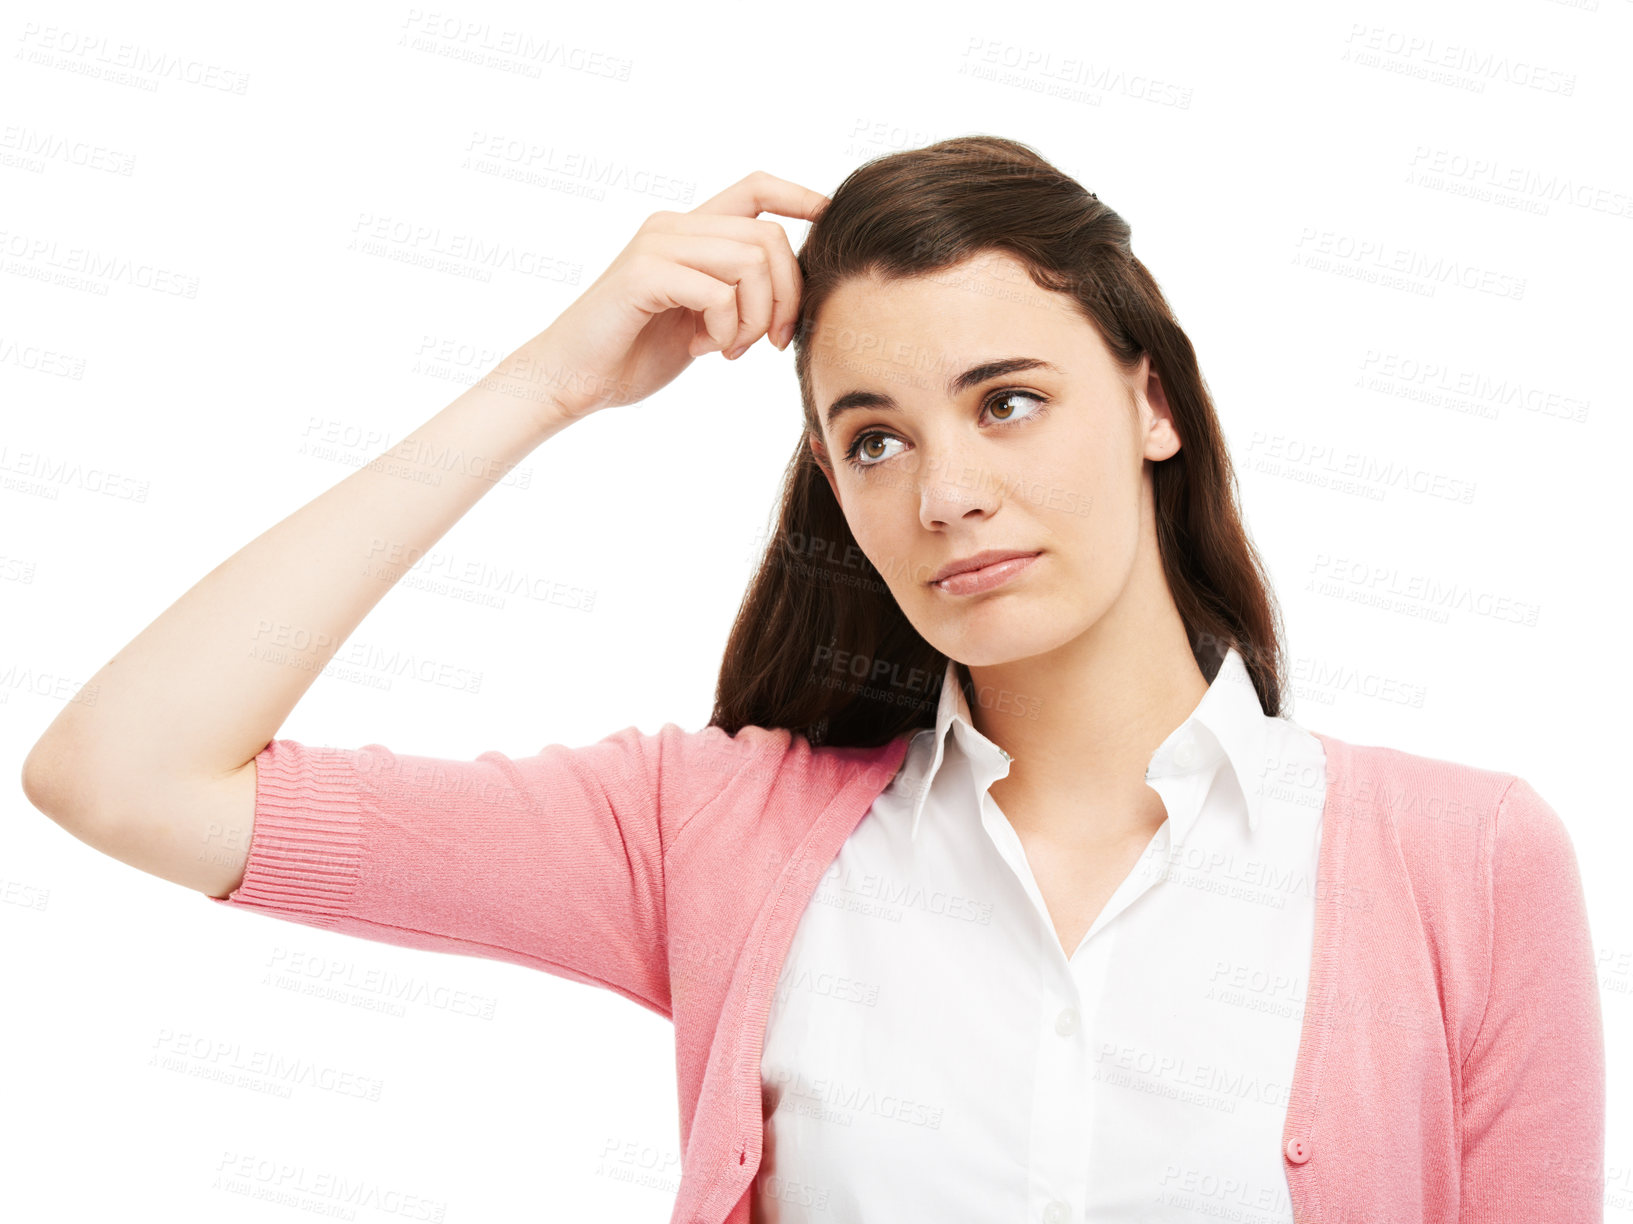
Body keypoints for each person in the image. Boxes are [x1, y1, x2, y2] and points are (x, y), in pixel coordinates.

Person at [22, 137, 1605, 1224]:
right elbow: (123, 776)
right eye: (874, 436)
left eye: (1006, 402)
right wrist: (554, 381)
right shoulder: (708, 834)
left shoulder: (1461, 863)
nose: (946, 493)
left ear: (1150, 403)